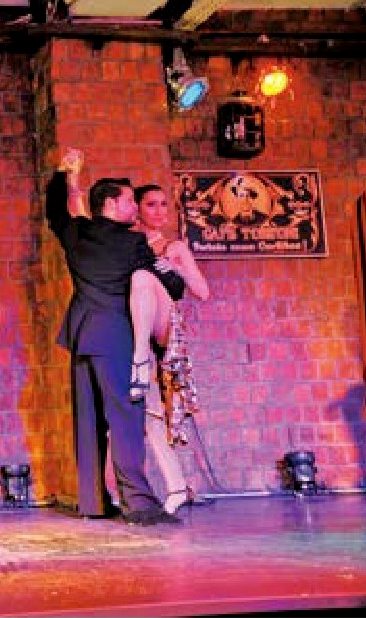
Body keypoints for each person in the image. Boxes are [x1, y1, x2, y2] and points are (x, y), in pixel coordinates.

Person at [47, 148, 183, 526]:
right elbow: (171, 287)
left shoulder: (77, 233)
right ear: (109, 204)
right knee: (125, 421)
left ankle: (93, 501)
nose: (134, 208)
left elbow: (55, 210)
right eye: (128, 201)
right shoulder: (132, 243)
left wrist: (63, 173)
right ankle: (139, 504)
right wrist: (171, 272)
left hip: (83, 338)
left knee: (89, 421)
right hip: (116, 339)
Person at [133, 183, 222, 514]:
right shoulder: (128, 244)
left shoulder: (174, 247)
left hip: (165, 333)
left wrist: (178, 269)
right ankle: (174, 486)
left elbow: (203, 291)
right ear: (137, 209)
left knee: (166, 408)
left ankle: (178, 485)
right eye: (151, 205)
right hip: (136, 331)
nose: (159, 211)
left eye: (163, 205)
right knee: (149, 411)